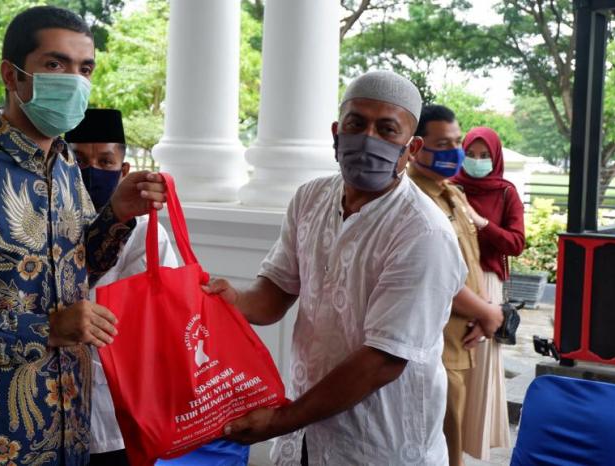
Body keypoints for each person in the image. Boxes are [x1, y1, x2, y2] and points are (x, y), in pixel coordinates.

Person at [0, 7, 166, 465]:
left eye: (85, 68)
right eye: (55, 65)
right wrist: (46, 328)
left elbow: (74, 270)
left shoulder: (63, 166)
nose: (74, 80)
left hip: (64, 427)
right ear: (11, 75)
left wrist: (116, 215)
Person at [205, 70, 467, 465]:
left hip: (378, 442)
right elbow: (275, 293)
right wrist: (233, 300)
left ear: (411, 148)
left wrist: (280, 421)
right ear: (335, 131)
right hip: (307, 434)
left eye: (387, 129)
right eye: (357, 123)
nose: (368, 139)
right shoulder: (310, 198)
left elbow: (382, 360)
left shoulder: (423, 231)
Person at [65, 108, 179, 465]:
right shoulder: (44, 222)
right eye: (79, 160)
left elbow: (152, 316)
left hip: (117, 404)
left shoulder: (145, 232)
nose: (91, 171)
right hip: (50, 404)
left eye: (104, 161)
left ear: (123, 170)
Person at [407, 104, 504, 466]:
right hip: (436, 345)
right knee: (438, 442)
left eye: (457, 141)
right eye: (443, 144)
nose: (456, 151)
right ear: (416, 147)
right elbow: (434, 273)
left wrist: (481, 316)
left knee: (455, 438)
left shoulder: (452, 193)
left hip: (463, 338)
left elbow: (467, 263)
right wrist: (486, 313)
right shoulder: (412, 199)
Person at [454, 126, 525, 461]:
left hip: (488, 283)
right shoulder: (451, 188)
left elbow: (516, 243)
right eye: (471, 153)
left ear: (495, 157)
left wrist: (483, 224)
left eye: (485, 156)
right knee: (450, 361)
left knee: (480, 364)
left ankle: (470, 447)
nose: (477, 161)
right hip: (453, 282)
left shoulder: (505, 192)